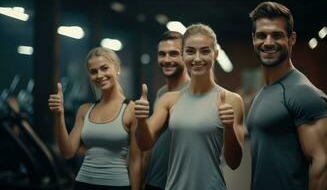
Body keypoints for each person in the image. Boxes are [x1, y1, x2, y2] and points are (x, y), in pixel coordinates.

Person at [135, 23, 245, 190]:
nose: (197, 58)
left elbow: (234, 163)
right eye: (191, 51)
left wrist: (229, 128)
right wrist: (141, 120)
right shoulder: (168, 99)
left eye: (205, 51)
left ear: (215, 54)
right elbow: (144, 144)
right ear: (183, 54)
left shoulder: (232, 100)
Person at [246, 1, 327, 190]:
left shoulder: (302, 93)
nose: (268, 42)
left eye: (277, 35)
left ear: (292, 38)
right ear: (253, 39)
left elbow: (323, 165)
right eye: (261, 35)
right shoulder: (262, 93)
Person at [48, 47, 142, 190]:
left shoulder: (131, 110)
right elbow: (67, 152)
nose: (99, 75)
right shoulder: (85, 110)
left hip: (117, 185)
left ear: (117, 68)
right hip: (83, 184)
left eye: (104, 68)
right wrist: (59, 115)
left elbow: (136, 161)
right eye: (93, 71)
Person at [143, 31, 190, 190]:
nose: (167, 60)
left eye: (173, 54)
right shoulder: (161, 93)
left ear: (185, 56)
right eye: (162, 54)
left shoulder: (193, 92)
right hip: (155, 180)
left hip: (179, 184)